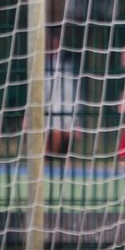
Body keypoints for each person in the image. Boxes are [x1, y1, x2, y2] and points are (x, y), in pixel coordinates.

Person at [44, 26, 81, 158]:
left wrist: (75, 122)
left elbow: (73, 94)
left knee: (61, 150)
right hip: (48, 115)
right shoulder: (44, 65)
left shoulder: (68, 66)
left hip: (64, 114)